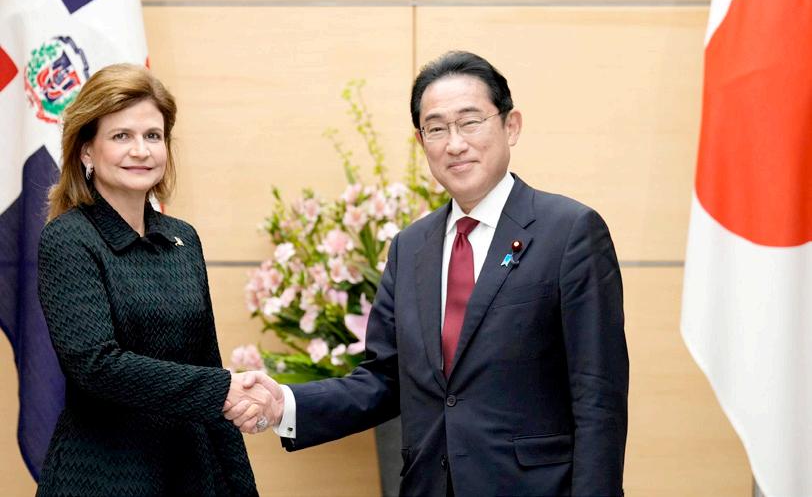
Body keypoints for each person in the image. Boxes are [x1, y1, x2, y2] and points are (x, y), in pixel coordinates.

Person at [228, 51, 629, 496]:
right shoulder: (411, 247)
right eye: (436, 129)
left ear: (511, 125)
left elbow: (598, 396)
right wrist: (284, 403)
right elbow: (384, 380)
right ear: (421, 142)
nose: (454, 144)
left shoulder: (569, 232)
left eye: (470, 122)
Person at [36, 64, 267, 497]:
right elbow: (96, 366)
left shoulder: (183, 239)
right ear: (87, 151)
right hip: (105, 474)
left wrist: (242, 486)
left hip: (191, 470)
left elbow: (207, 365)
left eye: (153, 136)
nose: (140, 151)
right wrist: (220, 389)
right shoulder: (68, 238)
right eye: (121, 136)